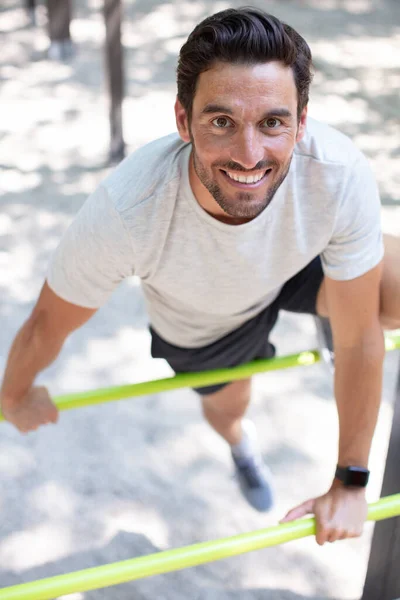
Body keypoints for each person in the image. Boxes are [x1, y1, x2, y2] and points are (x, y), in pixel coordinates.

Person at [1, 7, 399, 546]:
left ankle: (331, 305)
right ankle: (240, 444)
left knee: (386, 296)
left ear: (302, 122)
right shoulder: (128, 211)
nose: (249, 154)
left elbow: (358, 342)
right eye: (221, 121)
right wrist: (14, 393)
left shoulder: (335, 169)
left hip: (295, 258)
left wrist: (350, 483)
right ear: (184, 121)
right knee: (231, 410)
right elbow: (49, 322)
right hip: (207, 321)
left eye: (273, 122)